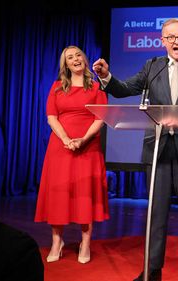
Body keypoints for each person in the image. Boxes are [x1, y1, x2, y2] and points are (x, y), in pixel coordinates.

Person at [93, 18, 178, 281]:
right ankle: (152, 270)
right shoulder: (153, 67)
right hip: (157, 151)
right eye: (170, 37)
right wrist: (106, 76)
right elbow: (125, 89)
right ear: (162, 41)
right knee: (156, 215)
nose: (176, 42)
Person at [34, 45, 109, 264]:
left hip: (88, 146)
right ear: (65, 65)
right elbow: (51, 117)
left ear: (84, 60)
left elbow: (100, 119)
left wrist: (83, 139)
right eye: (69, 58)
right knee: (59, 194)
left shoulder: (97, 87)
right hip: (60, 147)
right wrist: (66, 139)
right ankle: (57, 241)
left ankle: (85, 243)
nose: (75, 59)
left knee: (86, 194)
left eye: (78, 55)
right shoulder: (57, 87)